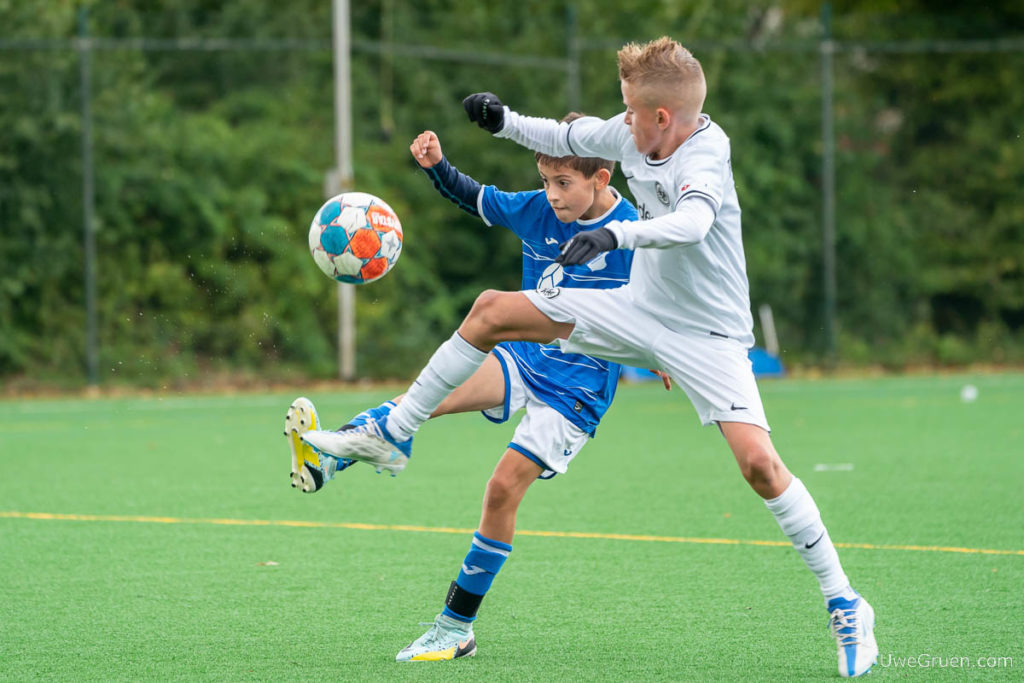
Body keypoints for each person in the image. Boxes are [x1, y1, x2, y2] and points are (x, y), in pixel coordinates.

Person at [301, 37, 878, 677]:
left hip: (707, 336)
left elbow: (690, 225)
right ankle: (392, 434)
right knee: (492, 308)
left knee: (762, 469)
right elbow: (562, 134)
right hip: (637, 310)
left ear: (664, 117)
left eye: (631, 110)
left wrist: (612, 232)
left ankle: (844, 601)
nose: (623, 120)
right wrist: (504, 122)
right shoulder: (635, 136)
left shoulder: (707, 157)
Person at [288, 119, 648, 660]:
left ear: (600, 176)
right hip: (526, 356)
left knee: (501, 490)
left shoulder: (636, 231)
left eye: (563, 184)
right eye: (545, 180)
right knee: (426, 400)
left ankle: (456, 627)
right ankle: (327, 460)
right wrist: (437, 167)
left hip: (579, 386)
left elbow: (665, 304)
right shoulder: (537, 208)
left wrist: (665, 353)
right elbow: (475, 196)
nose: (551, 196)